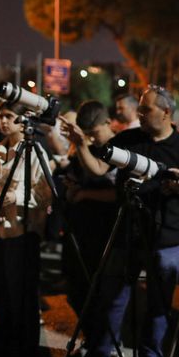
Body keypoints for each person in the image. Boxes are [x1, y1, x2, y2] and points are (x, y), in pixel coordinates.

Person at [79, 85, 179, 357]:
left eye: (146, 110)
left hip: (166, 238)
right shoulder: (128, 140)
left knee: (159, 304)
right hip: (126, 233)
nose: (140, 114)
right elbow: (98, 167)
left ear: (167, 113)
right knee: (112, 300)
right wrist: (81, 143)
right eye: (141, 109)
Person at [0, 102, 50, 357]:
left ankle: (25, 346)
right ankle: (1, 339)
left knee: (20, 290)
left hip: (20, 230)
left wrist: (16, 196)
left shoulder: (35, 151)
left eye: (10, 117)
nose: (4, 122)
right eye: (1, 116)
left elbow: (44, 194)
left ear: (23, 121)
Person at [59, 101, 118, 321]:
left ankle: (101, 341)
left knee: (101, 294)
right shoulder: (84, 149)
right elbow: (75, 181)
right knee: (77, 292)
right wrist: (72, 189)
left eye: (94, 133)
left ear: (108, 122)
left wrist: (85, 194)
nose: (92, 139)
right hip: (80, 231)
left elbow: (114, 190)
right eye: (88, 135)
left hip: (105, 231)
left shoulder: (119, 150)